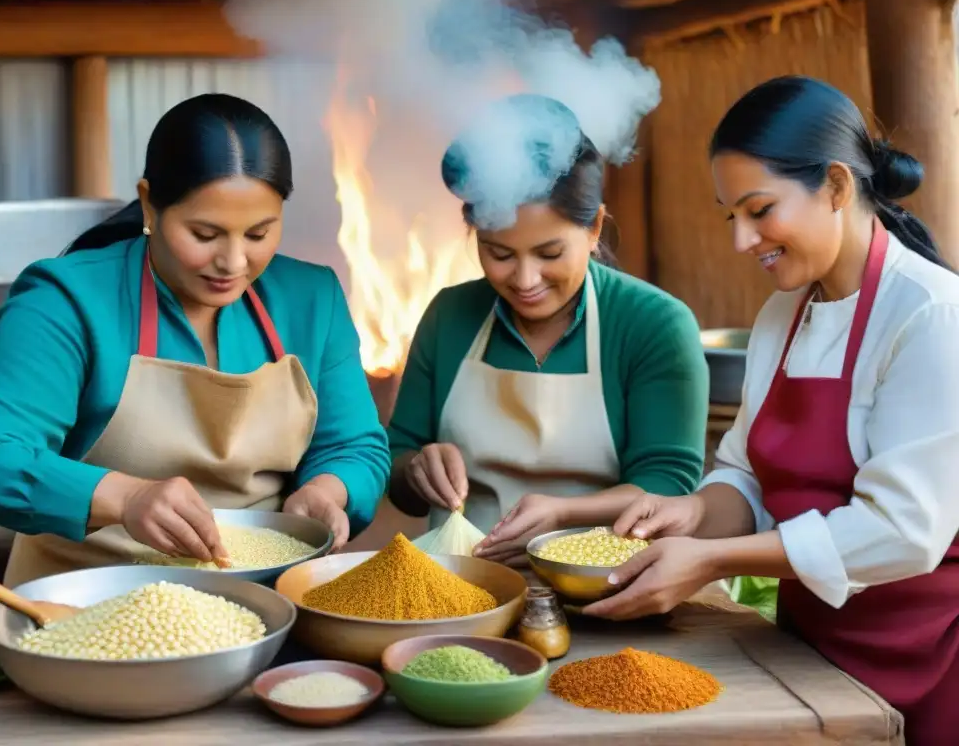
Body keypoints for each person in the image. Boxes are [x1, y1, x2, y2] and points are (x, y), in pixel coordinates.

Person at [579, 76, 959, 745]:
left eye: (760, 210)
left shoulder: (930, 314)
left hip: (925, 661)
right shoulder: (783, 313)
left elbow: (902, 530)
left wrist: (712, 561)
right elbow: (747, 475)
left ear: (837, 186)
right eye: (733, 217)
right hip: (806, 656)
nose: (743, 240)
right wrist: (695, 515)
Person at [0, 94, 390, 587]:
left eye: (259, 233)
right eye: (205, 234)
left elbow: (353, 444)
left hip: (263, 605)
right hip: (82, 601)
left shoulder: (312, 297)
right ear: (149, 204)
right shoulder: (66, 299)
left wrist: (327, 491)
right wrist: (125, 498)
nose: (234, 262)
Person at [385, 94, 710, 565]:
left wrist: (563, 514)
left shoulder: (653, 323)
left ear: (594, 227)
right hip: (464, 580)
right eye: (499, 253)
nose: (524, 279)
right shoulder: (450, 315)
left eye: (549, 254)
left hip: (604, 582)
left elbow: (668, 484)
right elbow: (398, 464)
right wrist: (416, 469)